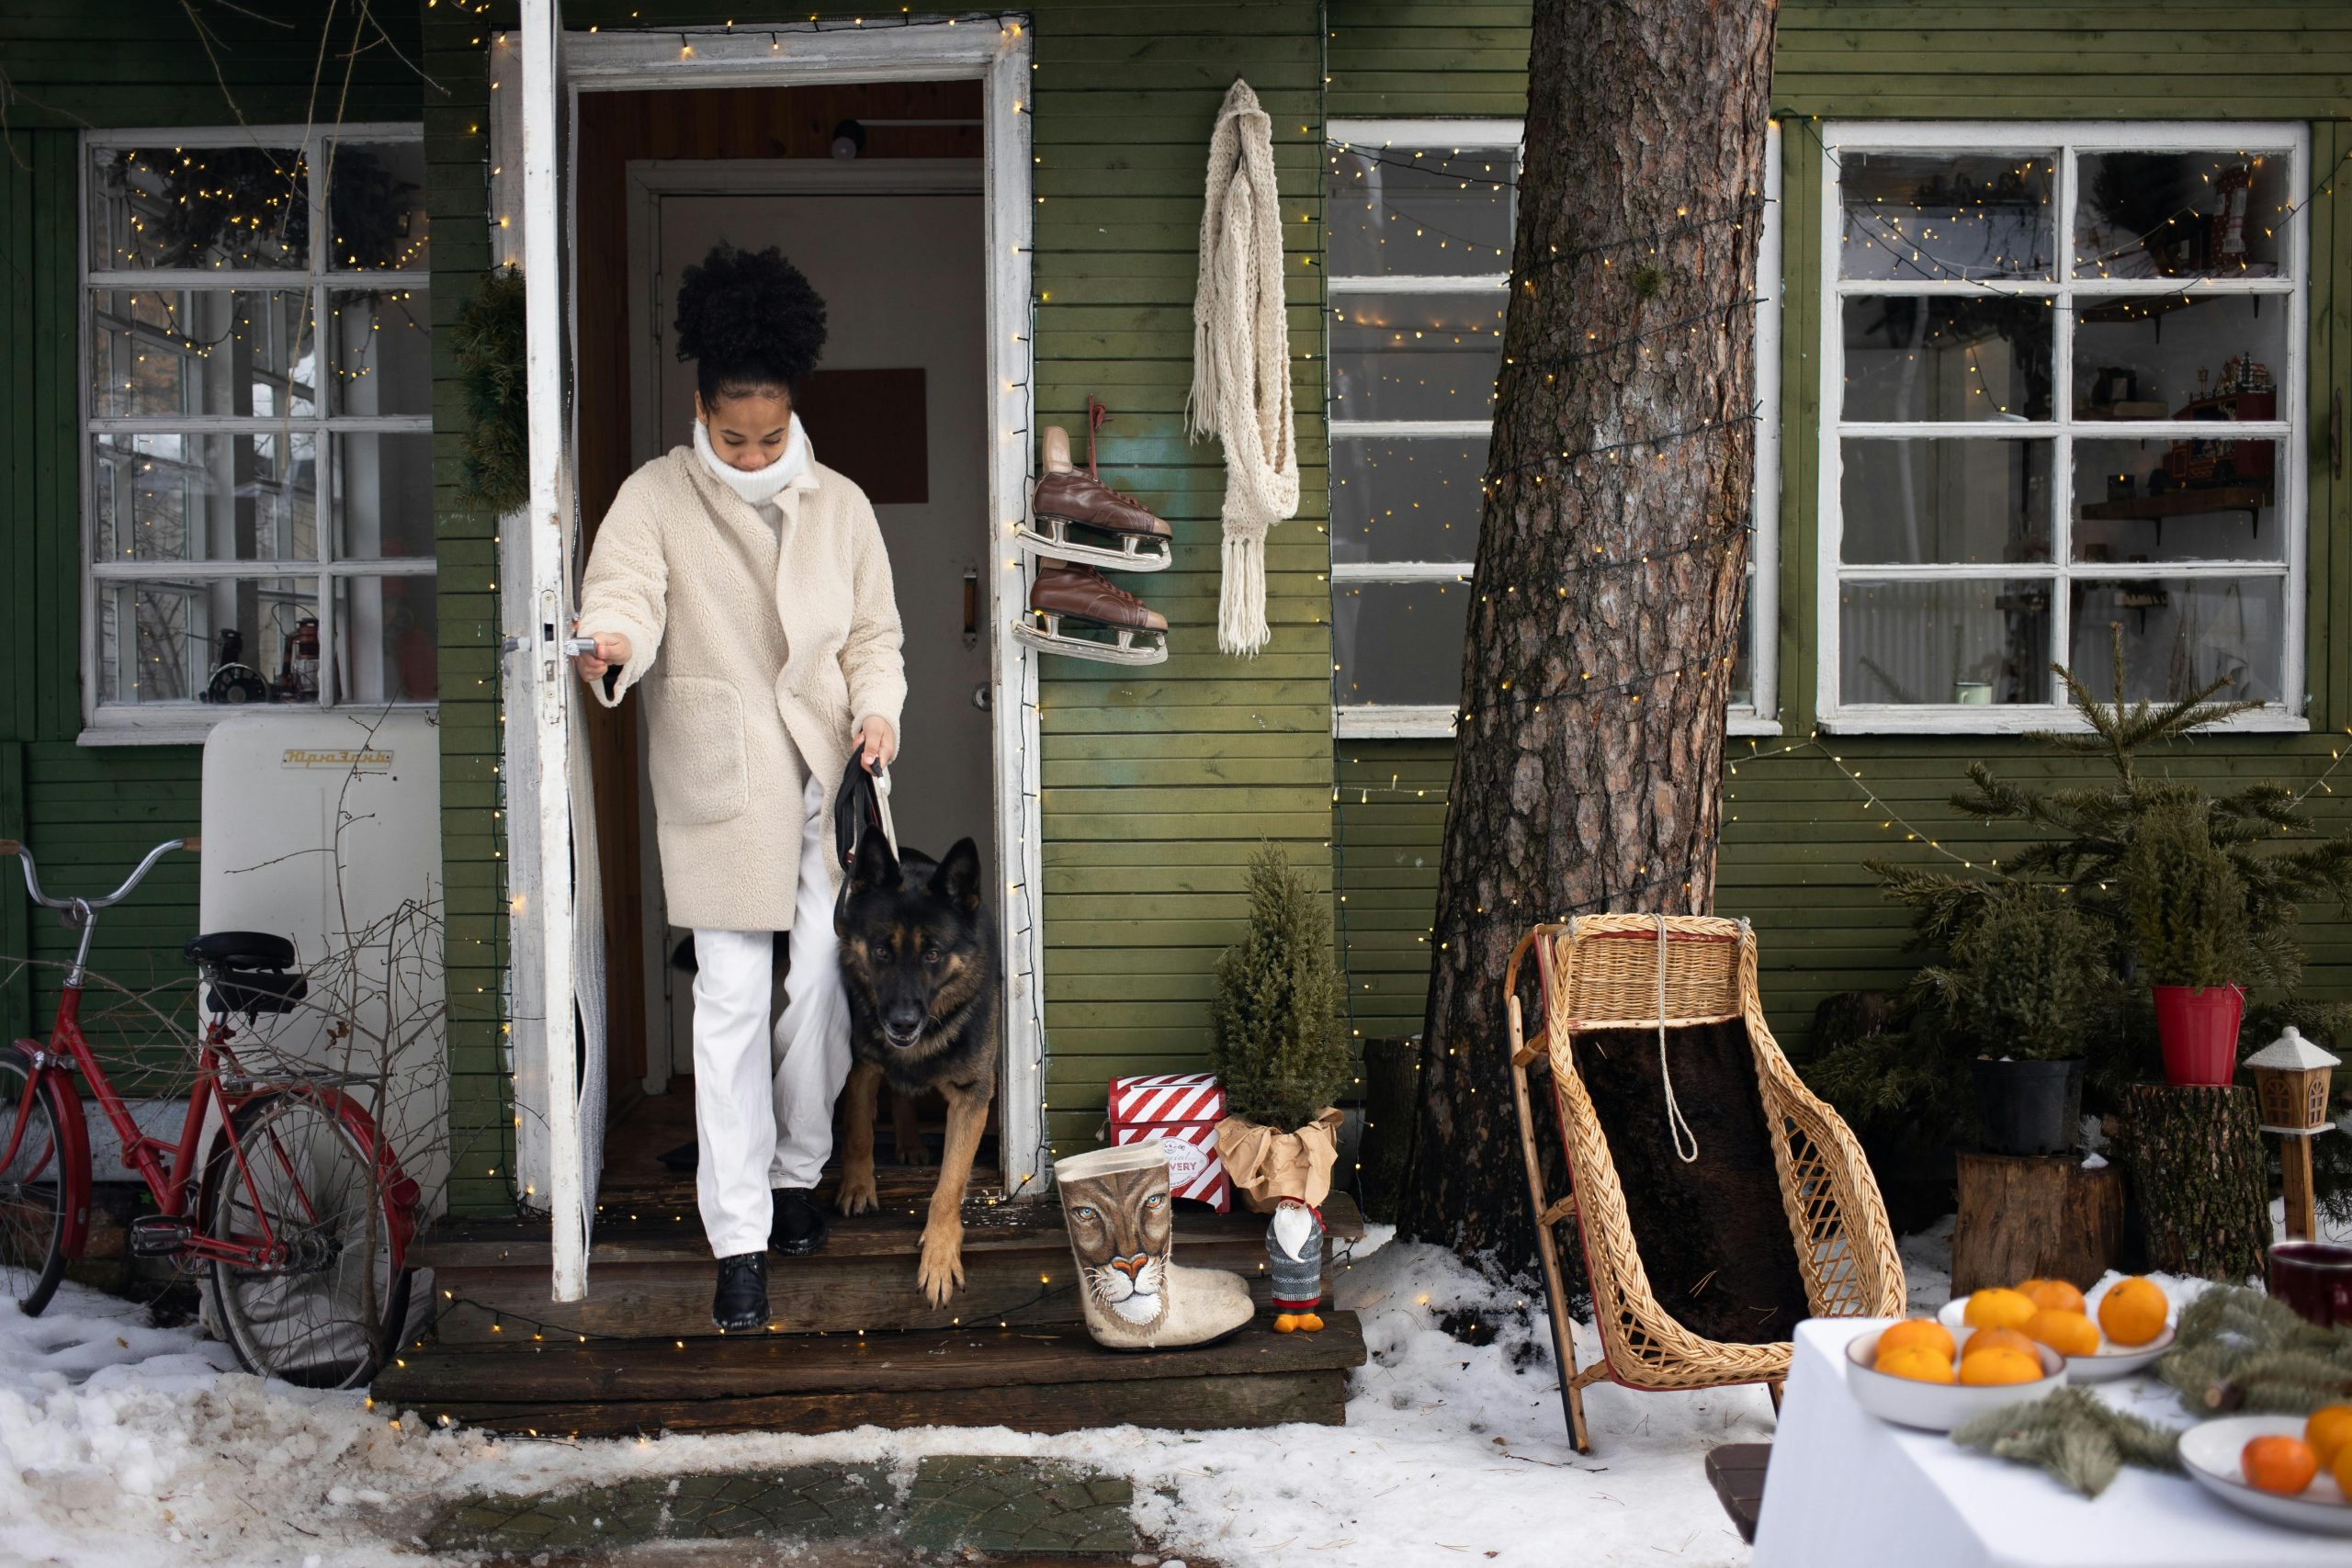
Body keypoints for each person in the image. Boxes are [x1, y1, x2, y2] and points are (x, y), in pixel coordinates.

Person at [571, 243, 904, 1333]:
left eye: (768, 433)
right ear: (700, 407)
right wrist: (610, 640)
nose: (752, 450)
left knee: (816, 981)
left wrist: (881, 707)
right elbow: (627, 593)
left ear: (792, 410)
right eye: (732, 434)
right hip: (721, 781)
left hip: (824, 779)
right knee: (724, 1006)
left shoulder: (842, 504)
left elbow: (872, 636)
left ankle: (801, 1168)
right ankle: (741, 1236)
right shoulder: (655, 497)